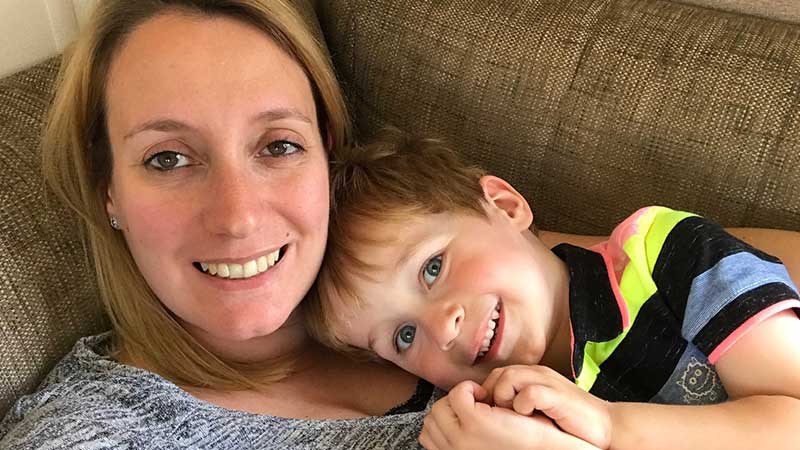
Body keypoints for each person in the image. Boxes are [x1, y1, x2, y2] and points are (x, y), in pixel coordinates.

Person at [0, 1, 798, 449]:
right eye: (168, 158)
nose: (239, 217)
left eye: (278, 145)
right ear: (107, 188)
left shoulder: (544, 304)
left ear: (324, 157)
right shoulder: (95, 435)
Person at [306, 128, 800, 450]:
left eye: (432, 268)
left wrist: (609, 429)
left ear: (504, 205)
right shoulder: (485, 423)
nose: (441, 328)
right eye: (403, 337)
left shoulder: (661, 251)